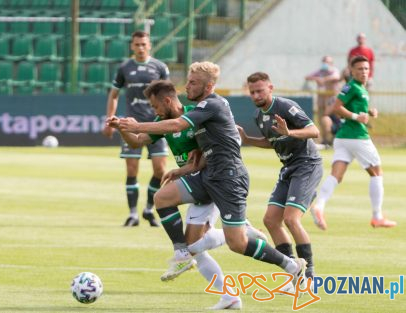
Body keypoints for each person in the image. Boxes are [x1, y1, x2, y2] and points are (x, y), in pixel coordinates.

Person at [117, 62, 307, 309]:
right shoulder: (200, 107)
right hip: (209, 176)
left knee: (237, 244)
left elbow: (177, 126)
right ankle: (195, 265)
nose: (188, 86)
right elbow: (207, 145)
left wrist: (136, 125)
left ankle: (292, 265)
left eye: (193, 82)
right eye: (188, 80)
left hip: (228, 177)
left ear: (207, 86)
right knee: (164, 200)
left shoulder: (211, 104)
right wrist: (185, 167)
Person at [238, 72, 322, 292]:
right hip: (288, 168)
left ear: (270, 88)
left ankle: (310, 275)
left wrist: (290, 132)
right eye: (252, 91)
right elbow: (271, 142)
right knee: (271, 220)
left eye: (260, 90)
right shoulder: (259, 115)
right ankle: (295, 273)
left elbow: (314, 131)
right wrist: (247, 140)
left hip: (306, 165)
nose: (256, 95)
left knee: (291, 219)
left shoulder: (285, 107)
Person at [311, 56, 396, 230]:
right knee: (377, 173)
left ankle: (319, 206)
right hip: (356, 137)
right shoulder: (352, 86)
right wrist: (358, 117)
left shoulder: (359, 88)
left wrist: (367, 112)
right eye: (359, 69)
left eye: (366, 69)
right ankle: (377, 216)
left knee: (336, 175)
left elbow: (349, 109)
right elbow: (336, 107)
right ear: (351, 70)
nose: (364, 72)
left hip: (343, 138)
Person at [102, 31, 170, 227]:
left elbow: (168, 97)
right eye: (137, 44)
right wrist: (109, 120)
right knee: (132, 170)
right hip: (131, 125)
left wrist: (170, 120)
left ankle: (148, 208)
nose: (140, 48)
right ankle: (133, 214)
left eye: (143, 44)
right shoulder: (125, 68)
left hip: (157, 124)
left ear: (149, 45)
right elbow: (113, 95)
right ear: (132, 46)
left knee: (160, 170)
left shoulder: (160, 67)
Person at [305, 56, 341, 145]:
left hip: (333, 102)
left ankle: (333, 140)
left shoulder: (334, 71)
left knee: (336, 122)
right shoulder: (320, 72)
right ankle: (324, 140)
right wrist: (317, 79)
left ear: (331, 63)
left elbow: (336, 77)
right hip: (321, 101)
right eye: (324, 61)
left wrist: (324, 80)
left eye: (327, 62)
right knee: (322, 121)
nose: (325, 63)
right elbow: (307, 77)